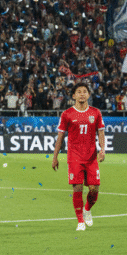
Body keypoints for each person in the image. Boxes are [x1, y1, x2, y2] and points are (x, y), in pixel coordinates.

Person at [51, 82, 105, 231]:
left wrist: (102, 150)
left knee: (94, 189)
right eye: (79, 92)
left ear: (88, 94)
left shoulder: (95, 113)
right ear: (73, 95)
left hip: (91, 157)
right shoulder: (67, 114)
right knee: (78, 188)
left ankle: (87, 209)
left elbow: (101, 132)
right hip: (74, 156)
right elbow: (60, 137)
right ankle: (80, 221)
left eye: (84, 91)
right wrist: (55, 157)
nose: (82, 94)